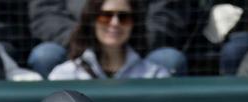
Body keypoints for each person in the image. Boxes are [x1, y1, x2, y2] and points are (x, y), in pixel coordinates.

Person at [27, 0, 190, 78]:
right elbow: (45, 13)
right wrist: (86, 36)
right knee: (45, 55)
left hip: (142, 44)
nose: (114, 22)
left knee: (169, 59)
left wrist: (129, 35)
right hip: (71, 45)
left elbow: (168, 13)